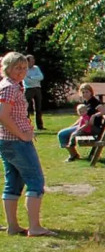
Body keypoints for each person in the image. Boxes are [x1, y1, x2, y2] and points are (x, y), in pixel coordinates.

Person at [0, 52, 53, 236]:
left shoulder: (12, 86)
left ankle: (13, 226)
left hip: (8, 141)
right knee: (36, 181)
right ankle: (35, 227)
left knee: (13, 182)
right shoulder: (9, 88)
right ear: (7, 68)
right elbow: (3, 116)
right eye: (17, 67)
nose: (21, 72)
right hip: (15, 142)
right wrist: (22, 135)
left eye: (23, 68)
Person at [57, 83, 105, 160]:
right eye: (83, 92)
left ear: (91, 92)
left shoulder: (94, 102)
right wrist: (72, 126)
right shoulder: (86, 102)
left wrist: (94, 116)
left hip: (93, 127)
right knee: (62, 133)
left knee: (62, 134)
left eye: (87, 92)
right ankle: (74, 154)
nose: (85, 94)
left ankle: (73, 155)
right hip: (85, 126)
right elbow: (82, 118)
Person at [22, 55, 43, 130]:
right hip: (28, 89)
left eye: (33, 60)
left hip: (37, 89)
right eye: (31, 60)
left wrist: (31, 77)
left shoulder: (36, 68)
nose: (33, 61)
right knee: (26, 108)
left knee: (38, 108)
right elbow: (26, 81)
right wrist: (35, 79)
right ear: (27, 61)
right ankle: (26, 125)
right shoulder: (24, 69)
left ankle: (40, 126)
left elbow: (41, 77)